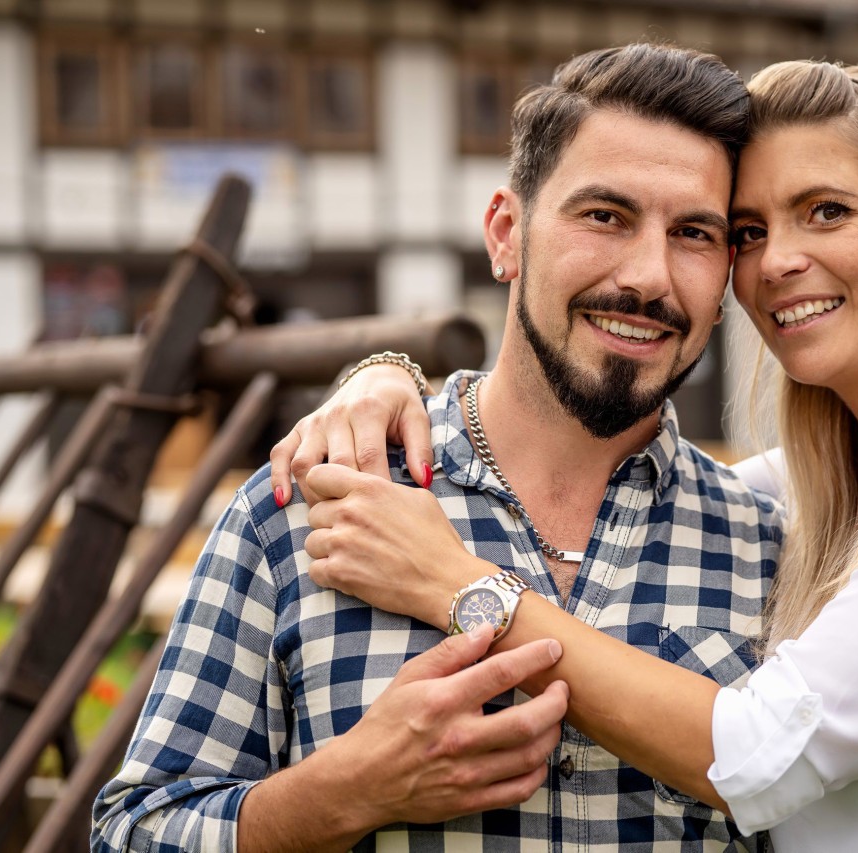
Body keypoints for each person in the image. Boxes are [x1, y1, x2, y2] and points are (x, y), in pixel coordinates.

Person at [284, 59, 858, 852]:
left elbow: (763, 752)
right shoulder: (797, 500)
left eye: (826, 211)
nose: (776, 262)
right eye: (748, 232)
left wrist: (458, 580)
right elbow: (608, 487)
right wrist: (386, 378)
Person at [93, 43, 782, 852]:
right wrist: (344, 792)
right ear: (505, 235)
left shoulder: (766, 548)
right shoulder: (308, 503)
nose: (649, 276)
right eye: (605, 216)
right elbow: (134, 834)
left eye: (694, 233)